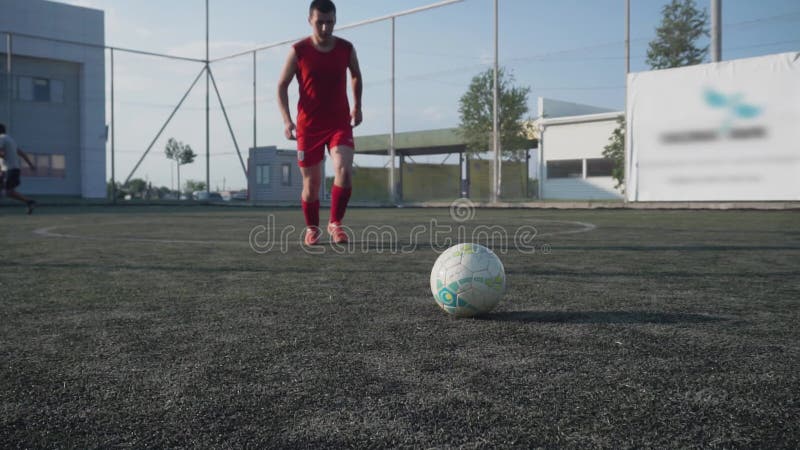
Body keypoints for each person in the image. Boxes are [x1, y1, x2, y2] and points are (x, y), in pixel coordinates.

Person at [277, 0, 363, 246]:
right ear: (310, 20)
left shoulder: (346, 48)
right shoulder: (299, 50)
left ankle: (335, 223)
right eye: (320, 23)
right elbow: (282, 86)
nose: (326, 28)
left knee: (344, 171)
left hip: (339, 123)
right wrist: (287, 121)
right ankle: (312, 229)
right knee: (312, 184)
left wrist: (357, 105)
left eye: (331, 22)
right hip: (308, 127)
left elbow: (356, 74)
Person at [0, 123, 37, 215]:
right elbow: (21, 153)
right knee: (7, 191)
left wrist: (3, 157)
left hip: (10, 169)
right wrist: (30, 164)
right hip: (10, 169)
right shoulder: (11, 140)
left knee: (8, 192)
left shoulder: (1, 138)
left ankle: (29, 202)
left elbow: (1, 153)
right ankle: (29, 202)